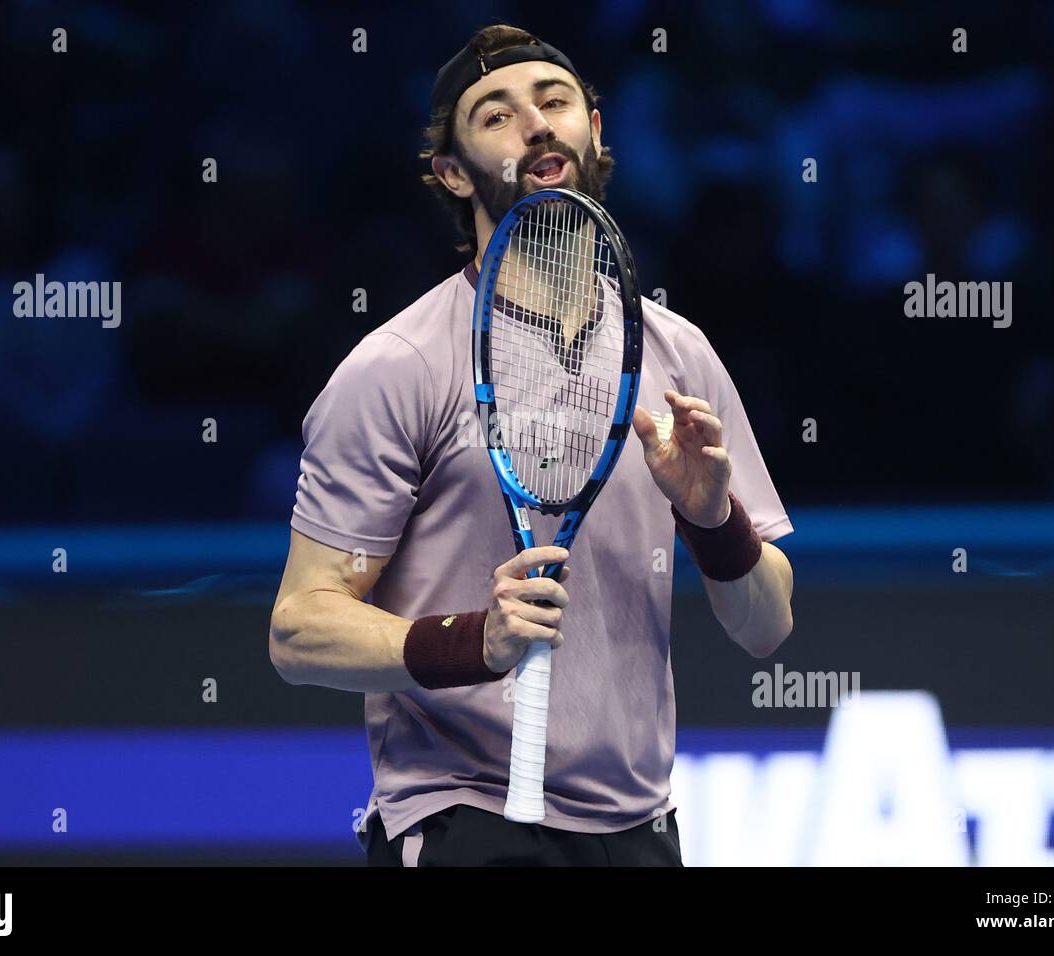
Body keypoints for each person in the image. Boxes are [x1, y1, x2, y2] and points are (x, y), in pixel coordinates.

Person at [270, 23, 795, 866]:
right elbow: (297, 632)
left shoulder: (676, 353)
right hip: (459, 816)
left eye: (554, 102)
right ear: (450, 171)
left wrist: (710, 516)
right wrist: (472, 642)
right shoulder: (395, 368)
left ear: (594, 127)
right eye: (496, 115)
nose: (536, 124)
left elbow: (766, 624)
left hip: (638, 826)